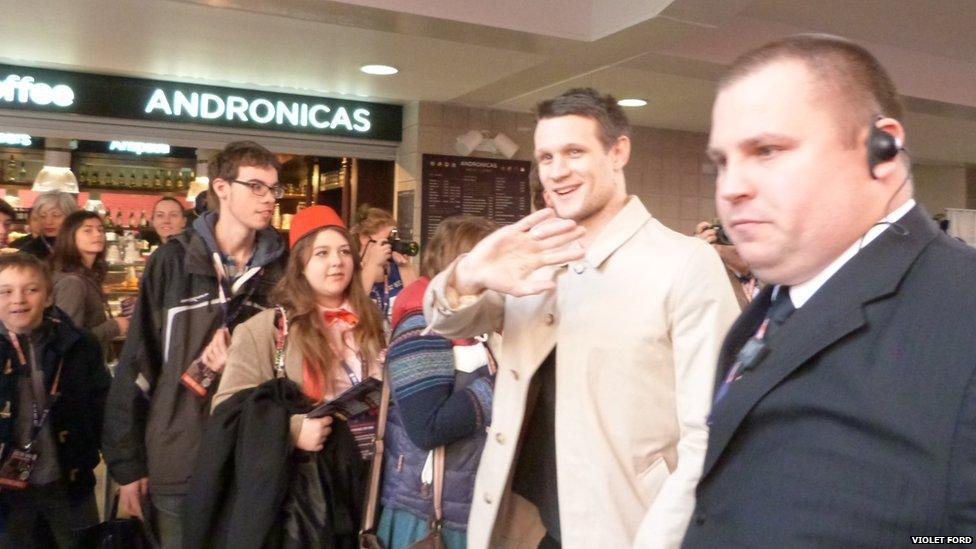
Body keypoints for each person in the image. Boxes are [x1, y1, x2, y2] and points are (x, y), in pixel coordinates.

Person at [682, 35, 976, 547]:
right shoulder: (771, 308)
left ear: (880, 152)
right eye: (723, 161)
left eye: (767, 150)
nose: (730, 187)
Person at [423, 88, 739, 548]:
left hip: (622, 525)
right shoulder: (536, 256)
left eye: (574, 152)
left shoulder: (684, 263)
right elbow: (447, 320)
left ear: (618, 152)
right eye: (546, 156)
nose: (557, 171)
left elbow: (710, 433)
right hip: (524, 521)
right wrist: (469, 273)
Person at [101, 141, 287, 548]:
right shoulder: (172, 261)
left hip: (251, 454)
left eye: (274, 189)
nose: (268, 198)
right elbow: (137, 362)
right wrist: (127, 465)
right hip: (179, 450)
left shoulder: (281, 268)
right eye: (255, 186)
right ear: (221, 188)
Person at [182, 205, 384, 547]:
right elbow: (227, 411)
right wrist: (290, 431)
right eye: (322, 253)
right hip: (309, 489)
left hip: (373, 480)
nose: (337, 261)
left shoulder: (375, 323)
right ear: (301, 264)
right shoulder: (265, 330)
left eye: (344, 251)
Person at [377, 214, 498, 549]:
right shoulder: (423, 325)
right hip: (429, 520)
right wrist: (504, 385)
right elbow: (427, 426)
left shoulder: (476, 323)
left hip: (468, 508)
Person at [0, 253, 110, 547]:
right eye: (6, 291)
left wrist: (123, 466)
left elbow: (103, 408)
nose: (18, 300)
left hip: (68, 479)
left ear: (48, 297)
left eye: (31, 289)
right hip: (6, 491)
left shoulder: (79, 344)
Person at [50, 210, 130, 361]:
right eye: (88, 230)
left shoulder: (88, 276)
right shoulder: (72, 283)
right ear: (70, 236)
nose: (97, 234)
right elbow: (68, 340)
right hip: (79, 377)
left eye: (100, 229)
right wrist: (114, 326)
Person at [352, 206, 419, 323]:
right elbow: (354, 304)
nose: (391, 244)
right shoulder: (351, 268)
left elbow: (417, 304)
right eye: (387, 240)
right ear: (364, 238)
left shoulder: (396, 267)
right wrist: (373, 264)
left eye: (393, 239)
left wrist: (405, 267)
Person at [693, 221, 757, 309]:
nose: (742, 245)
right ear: (717, 240)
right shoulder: (708, 278)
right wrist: (697, 254)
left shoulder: (772, 276)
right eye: (730, 237)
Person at [20, 192, 78, 261]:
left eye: (56, 215)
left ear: (71, 216)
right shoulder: (29, 251)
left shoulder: (82, 244)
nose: (48, 222)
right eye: (43, 216)